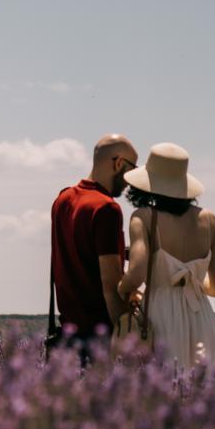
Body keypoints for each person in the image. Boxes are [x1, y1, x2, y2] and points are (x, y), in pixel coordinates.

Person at [118, 143, 215, 374]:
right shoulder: (209, 220)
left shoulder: (143, 217)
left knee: (163, 390)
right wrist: (191, 281)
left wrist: (120, 287)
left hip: (161, 313)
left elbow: (136, 274)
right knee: (202, 393)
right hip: (200, 315)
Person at [50, 134, 138, 361]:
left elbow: (82, 249)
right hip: (98, 338)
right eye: (131, 169)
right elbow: (110, 287)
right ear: (118, 164)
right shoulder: (106, 208)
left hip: (68, 336)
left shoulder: (63, 199)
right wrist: (128, 340)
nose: (130, 180)